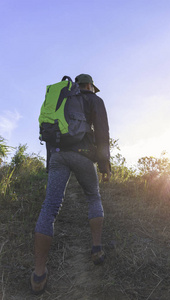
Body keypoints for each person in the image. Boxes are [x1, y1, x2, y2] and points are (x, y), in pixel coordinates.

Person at [30, 74, 111, 295]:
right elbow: (103, 133)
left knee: (50, 207)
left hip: (57, 155)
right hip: (83, 156)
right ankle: (96, 249)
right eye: (93, 87)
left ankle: (39, 275)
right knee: (93, 197)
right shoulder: (94, 100)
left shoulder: (62, 97)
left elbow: (50, 133)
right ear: (89, 86)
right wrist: (105, 165)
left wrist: (50, 163)